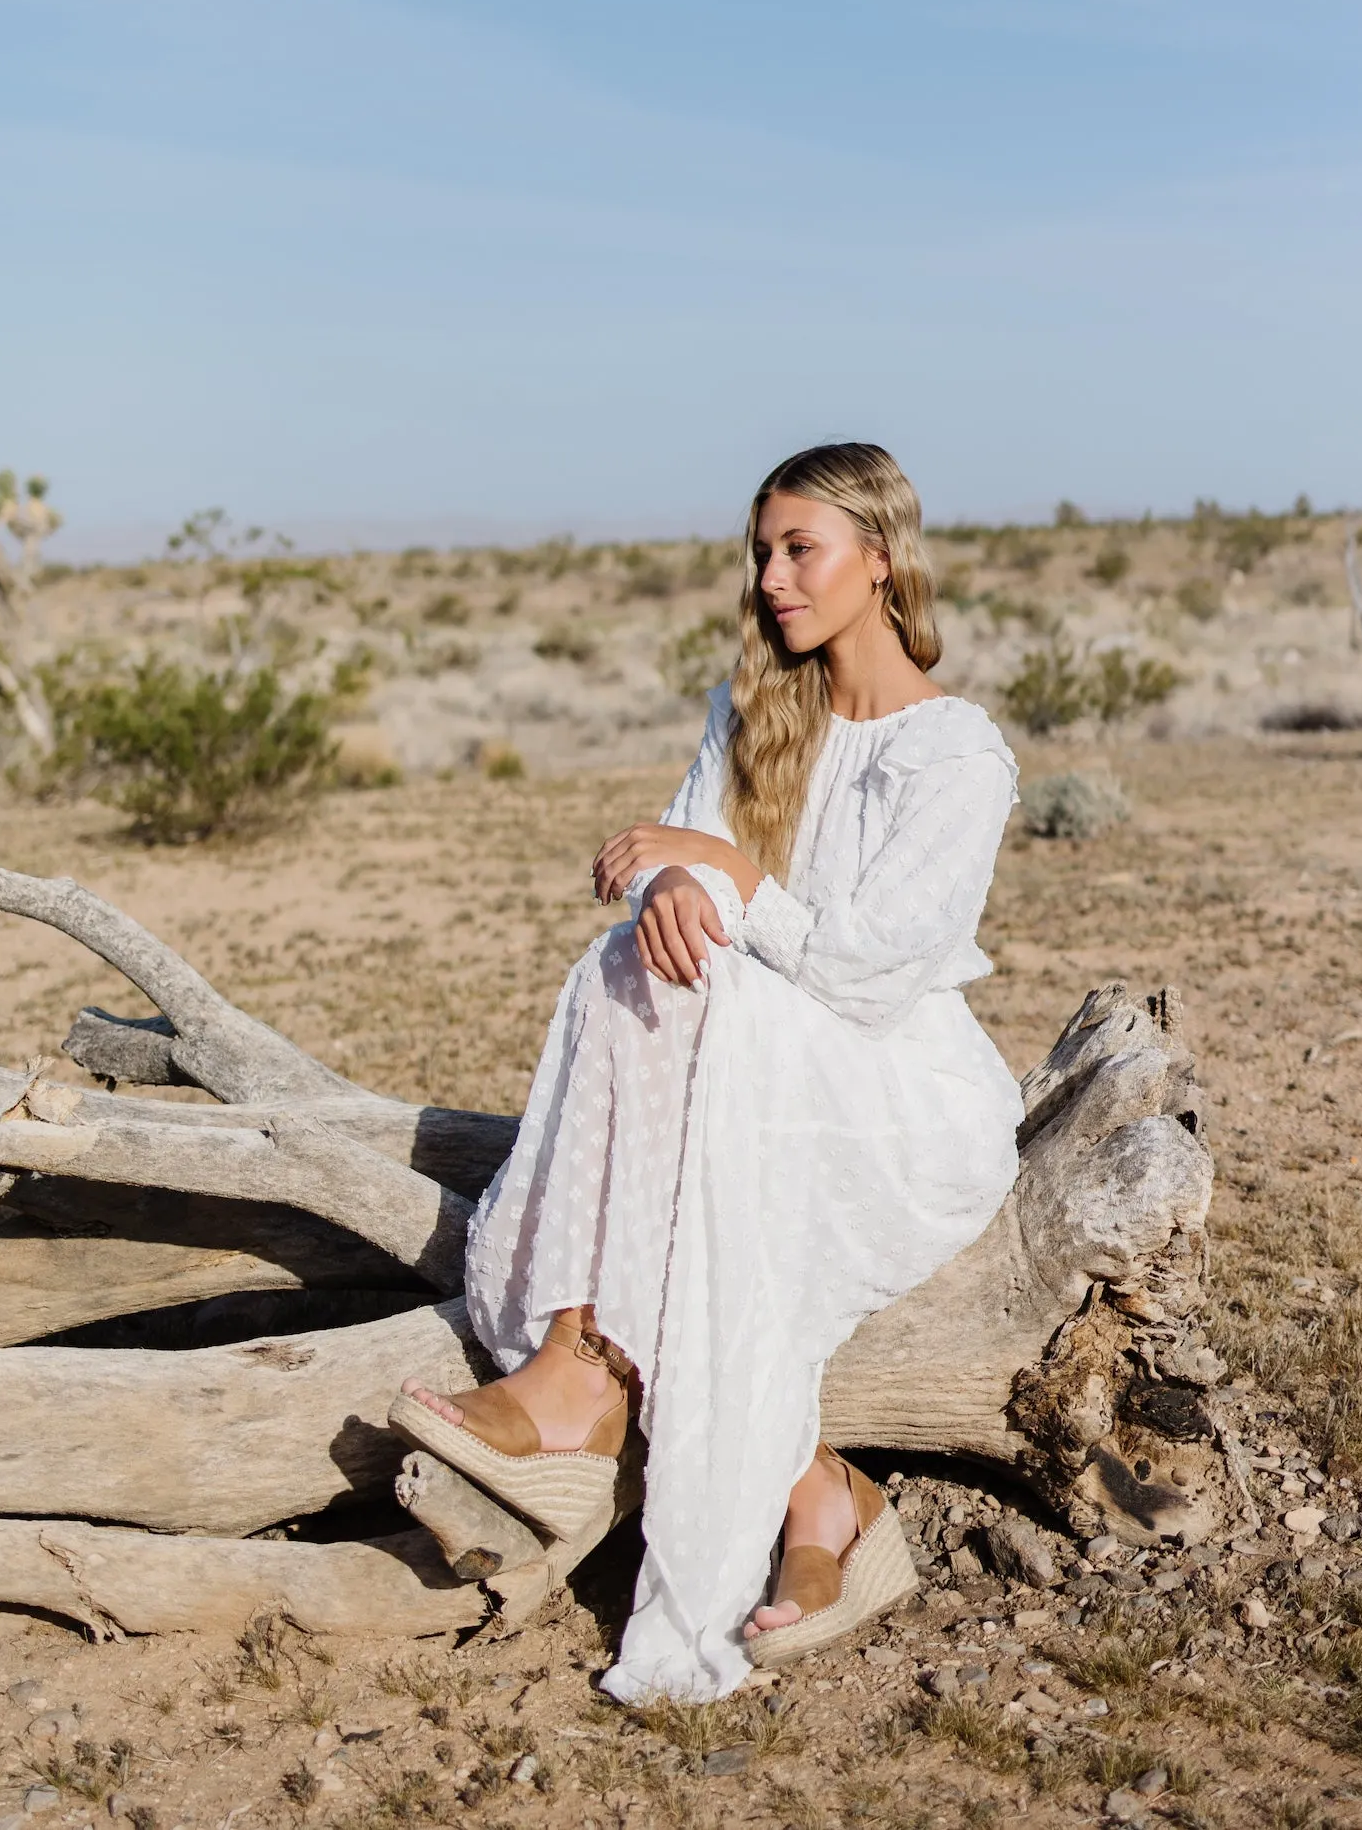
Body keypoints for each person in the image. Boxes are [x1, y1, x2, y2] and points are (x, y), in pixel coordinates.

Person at [397, 441, 1023, 1701]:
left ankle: (698, 1433)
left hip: (900, 1091)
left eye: (801, 549)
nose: (772, 577)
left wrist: (722, 877)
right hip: (749, 1045)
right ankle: (658, 1401)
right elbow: (680, 869)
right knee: (632, 963)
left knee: (706, 998)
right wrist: (680, 884)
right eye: (761, 551)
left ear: (881, 560)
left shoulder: (956, 755)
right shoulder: (753, 711)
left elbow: (863, 980)